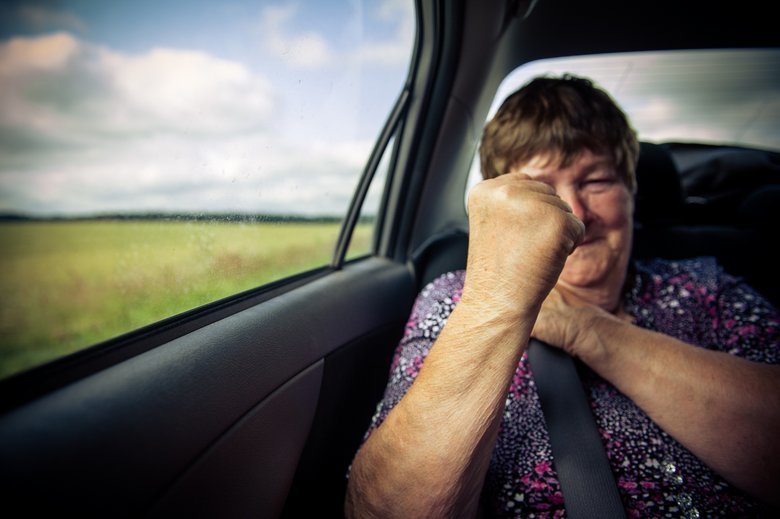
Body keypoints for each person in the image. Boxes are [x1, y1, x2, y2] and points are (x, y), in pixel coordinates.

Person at [345, 74, 780, 518]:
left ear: (631, 190)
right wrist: (496, 303)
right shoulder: (458, 299)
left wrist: (582, 325)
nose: (575, 214)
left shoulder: (708, 288)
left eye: (597, 181)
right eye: (540, 189)